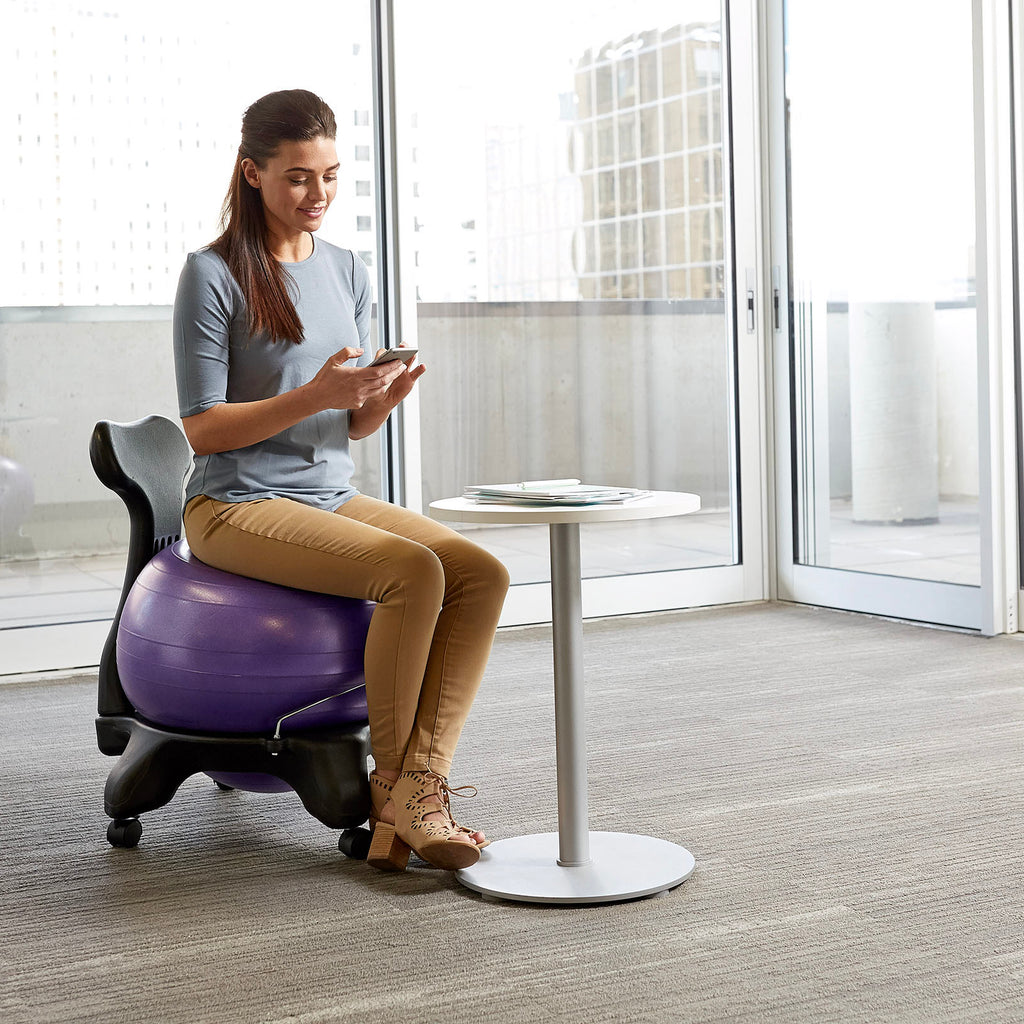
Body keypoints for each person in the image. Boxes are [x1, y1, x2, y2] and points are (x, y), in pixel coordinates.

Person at [172, 89, 510, 872]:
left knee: (479, 574)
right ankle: (396, 793)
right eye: (297, 177)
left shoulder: (349, 271)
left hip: (325, 492)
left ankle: (422, 783)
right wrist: (318, 394)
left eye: (329, 175)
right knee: (410, 571)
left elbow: (344, 428)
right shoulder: (212, 274)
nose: (317, 194)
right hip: (234, 502)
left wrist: (373, 403)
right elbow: (202, 427)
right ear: (252, 174)